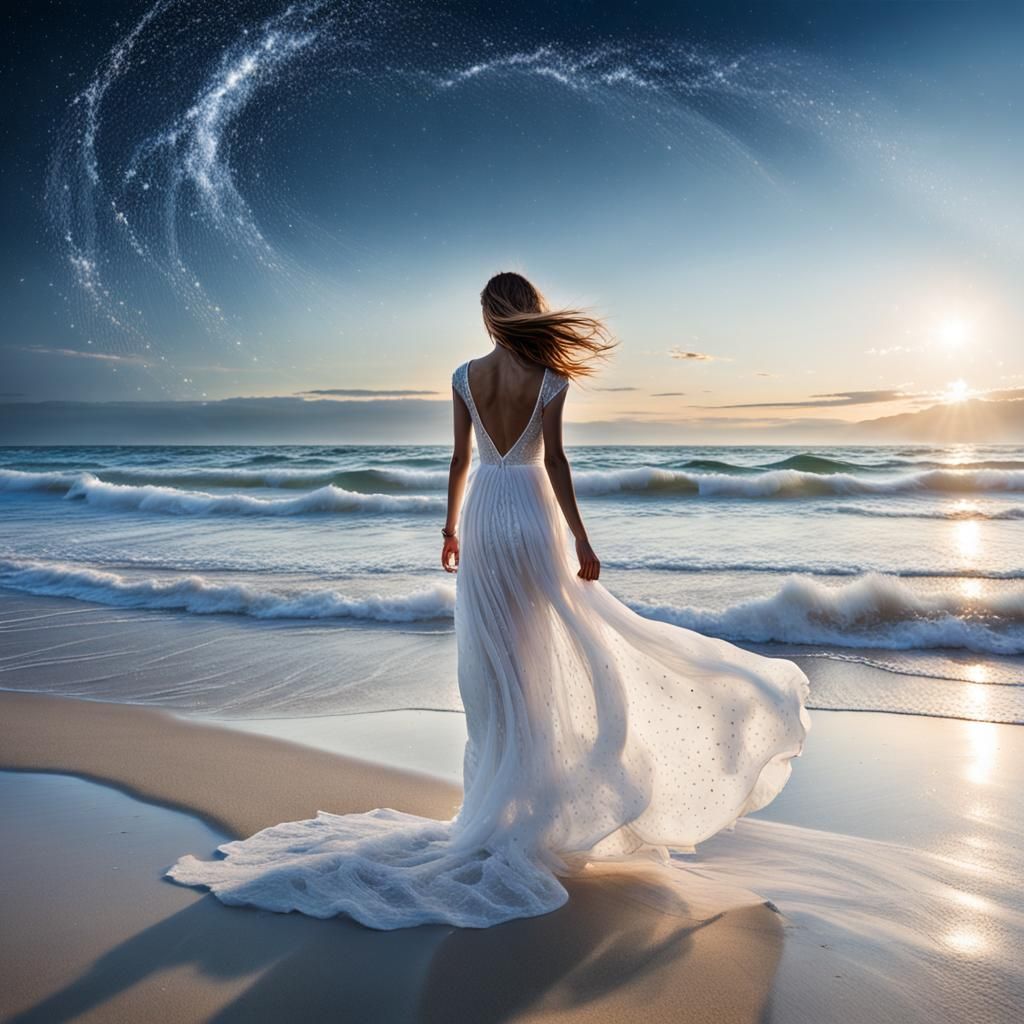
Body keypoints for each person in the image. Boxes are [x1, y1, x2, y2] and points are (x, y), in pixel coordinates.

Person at [168, 271, 810, 929]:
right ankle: (532, 806)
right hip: (531, 515)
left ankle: (501, 802)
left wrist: (449, 528)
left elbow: (458, 460)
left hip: (483, 513)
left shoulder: (464, 376)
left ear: (488, 315)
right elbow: (555, 463)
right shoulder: (551, 380)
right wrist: (582, 539)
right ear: (530, 312)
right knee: (540, 661)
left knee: (494, 665)